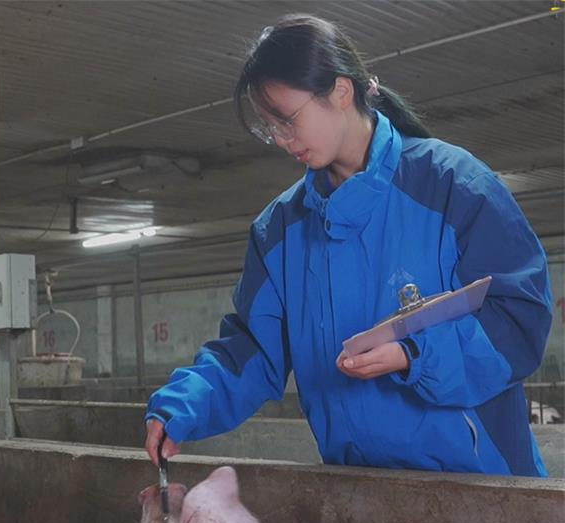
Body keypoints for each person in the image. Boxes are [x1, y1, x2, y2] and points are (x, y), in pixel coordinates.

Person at [143, 14, 553, 477]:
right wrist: (183, 404)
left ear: (340, 91)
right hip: (358, 491)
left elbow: (518, 318)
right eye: (269, 127)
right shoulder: (279, 230)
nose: (281, 140)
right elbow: (252, 349)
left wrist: (415, 355)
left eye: (287, 120)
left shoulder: (454, 186)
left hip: (482, 485)